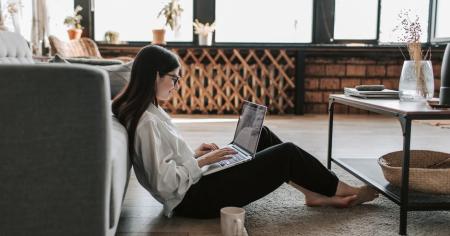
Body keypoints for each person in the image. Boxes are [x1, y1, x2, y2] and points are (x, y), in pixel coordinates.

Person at [112, 45, 378, 219]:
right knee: (286, 154)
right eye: (175, 78)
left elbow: (164, 164)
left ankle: (312, 193)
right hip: (192, 200)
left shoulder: (148, 111)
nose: (178, 85)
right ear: (156, 75)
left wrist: (195, 155)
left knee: (261, 134)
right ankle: (341, 189)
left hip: (193, 185)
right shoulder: (147, 121)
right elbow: (164, 184)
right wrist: (202, 162)